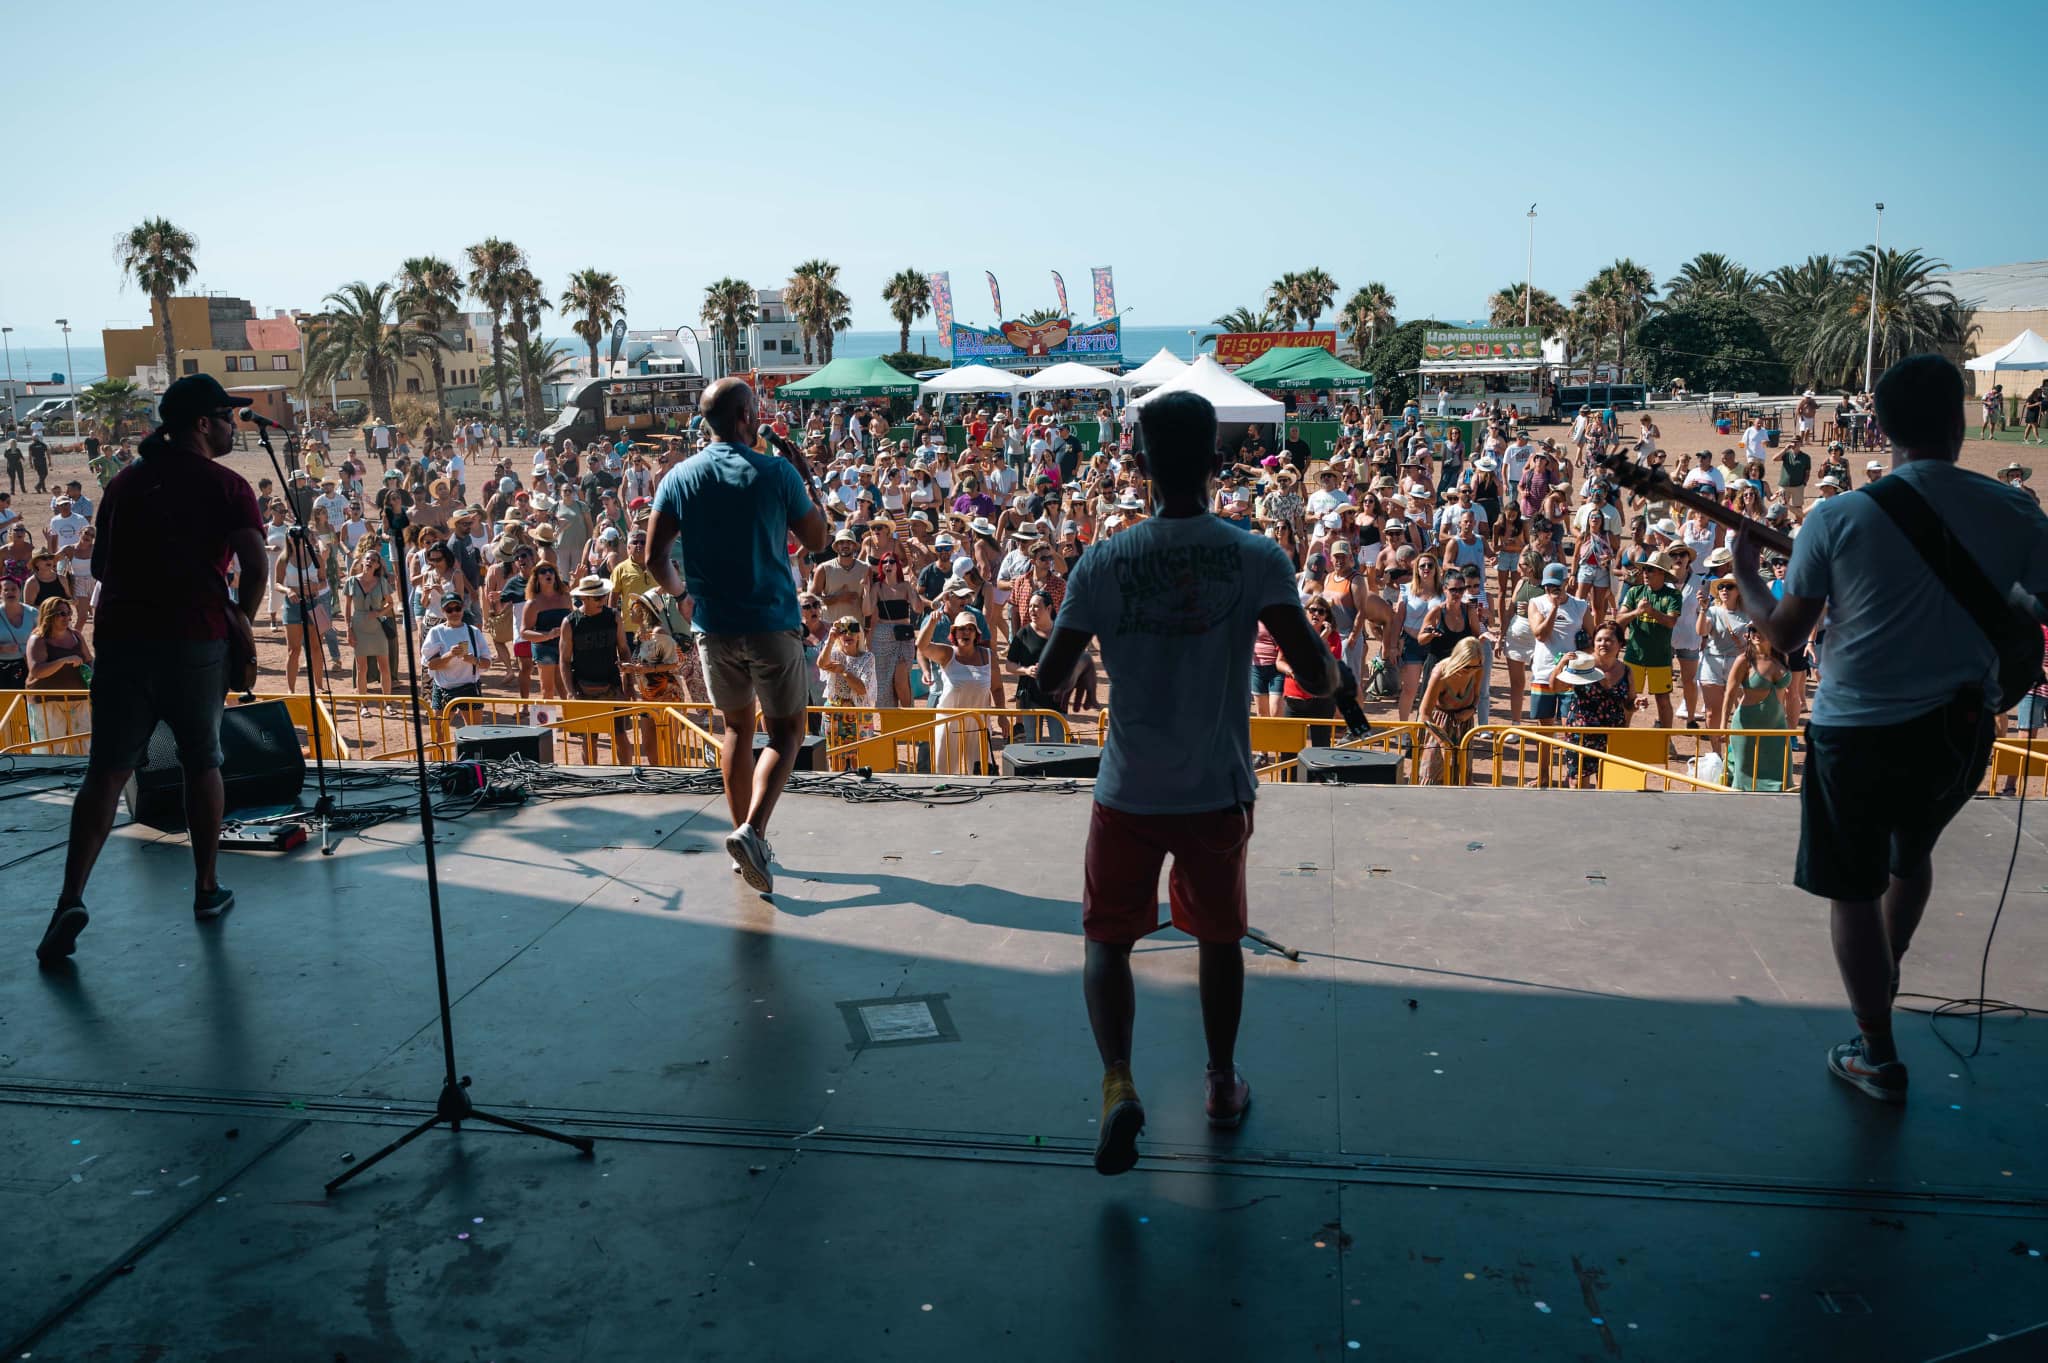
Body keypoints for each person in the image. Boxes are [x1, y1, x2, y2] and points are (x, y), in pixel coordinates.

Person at [1032, 390, 1338, 1177]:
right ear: (1213, 460)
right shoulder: (1255, 556)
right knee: (1218, 938)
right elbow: (1312, 673)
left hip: (1127, 790)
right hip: (1215, 789)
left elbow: (1053, 679)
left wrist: (1033, 678)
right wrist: (1337, 676)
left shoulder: (1101, 562)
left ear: (1137, 460)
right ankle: (1220, 1081)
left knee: (1107, 940)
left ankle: (1118, 1081)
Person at [1732, 354, 2048, 1104]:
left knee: (1853, 888)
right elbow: (2034, 608)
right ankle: (1888, 972)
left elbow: (1781, 636)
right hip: (1959, 730)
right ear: (1960, 420)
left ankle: (1877, 1049)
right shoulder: (2015, 511)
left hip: (1858, 732)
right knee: (1912, 856)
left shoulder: (1837, 517)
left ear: (1882, 426)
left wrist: (1747, 572)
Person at [36, 375, 267, 965]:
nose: (234, 424)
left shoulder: (124, 484)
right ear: (200, 424)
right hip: (194, 641)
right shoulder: (227, 485)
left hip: (122, 643)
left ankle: (69, 899)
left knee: (106, 773)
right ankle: (206, 888)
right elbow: (255, 560)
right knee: (202, 760)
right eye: (226, 415)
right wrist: (240, 617)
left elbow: (106, 567)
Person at [646, 380, 829, 895]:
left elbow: (653, 558)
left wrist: (683, 597)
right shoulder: (776, 472)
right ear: (748, 415)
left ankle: (744, 841)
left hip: (713, 628)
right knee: (788, 732)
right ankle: (753, 832)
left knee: (735, 731)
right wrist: (806, 478)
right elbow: (817, 540)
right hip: (771, 622)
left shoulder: (679, 477)